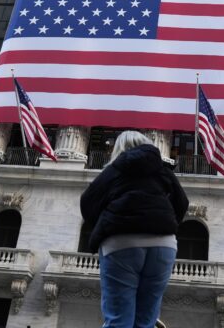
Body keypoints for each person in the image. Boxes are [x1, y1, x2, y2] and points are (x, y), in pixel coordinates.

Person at [80, 131, 189, 328]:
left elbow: (88, 202)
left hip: (120, 243)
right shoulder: (163, 171)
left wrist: (105, 225)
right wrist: (164, 224)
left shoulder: (115, 169)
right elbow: (182, 202)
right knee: (146, 321)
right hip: (163, 244)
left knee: (118, 319)